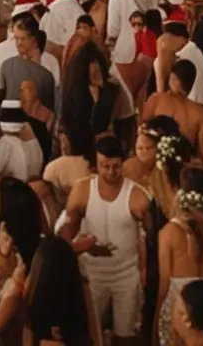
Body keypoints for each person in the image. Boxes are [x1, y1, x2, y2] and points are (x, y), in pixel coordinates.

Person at [61, 133, 152, 346]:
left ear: (124, 163)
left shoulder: (137, 195)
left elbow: (151, 238)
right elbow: (68, 228)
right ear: (96, 164)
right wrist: (75, 246)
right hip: (91, 274)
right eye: (105, 166)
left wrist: (146, 271)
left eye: (116, 166)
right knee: (90, 334)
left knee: (126, 336)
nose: (111, 172)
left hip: (126, 275)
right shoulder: (83, 190)